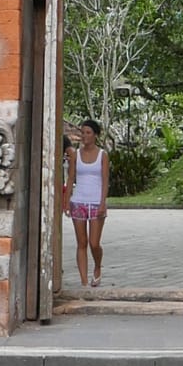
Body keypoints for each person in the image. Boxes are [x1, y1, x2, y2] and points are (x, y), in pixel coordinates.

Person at [62, 118, 109, 288]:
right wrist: (67, 201)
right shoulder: (75, 154)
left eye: (88, 133)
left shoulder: (102, 155)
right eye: (83, 132)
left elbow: (105, 180)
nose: (84, 136)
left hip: (96, 202)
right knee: (81, 242)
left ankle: (97, 266)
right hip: (78, 201)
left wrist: (103, 203)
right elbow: (71, 177)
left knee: (94, 243)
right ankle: (83, 282)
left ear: (95, 135)